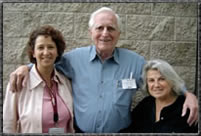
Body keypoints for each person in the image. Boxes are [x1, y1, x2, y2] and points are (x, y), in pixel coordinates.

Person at [8, 7, 198, 133]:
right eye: (100, 28)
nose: (105, 33)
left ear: (119, 34)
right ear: (91, 32)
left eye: (111, 28)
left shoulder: (135, 61)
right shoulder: (74, 59)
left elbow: (161, 77)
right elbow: (47, 61)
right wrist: (26, 67)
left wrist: (187, 93)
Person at [3, 25, 74, 133]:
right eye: (40, 47)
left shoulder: (65, 82)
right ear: (33, 53)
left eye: (50, 47)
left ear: (57, 51)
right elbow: (8, 126)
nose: (46, 52)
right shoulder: (18, 83)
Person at [120, 59, 198, 133]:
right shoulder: (145, 105)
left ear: (172, 81)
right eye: (151, 80)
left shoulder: (187, 108)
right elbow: (131, 130)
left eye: (162, 79)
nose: (156, 85)